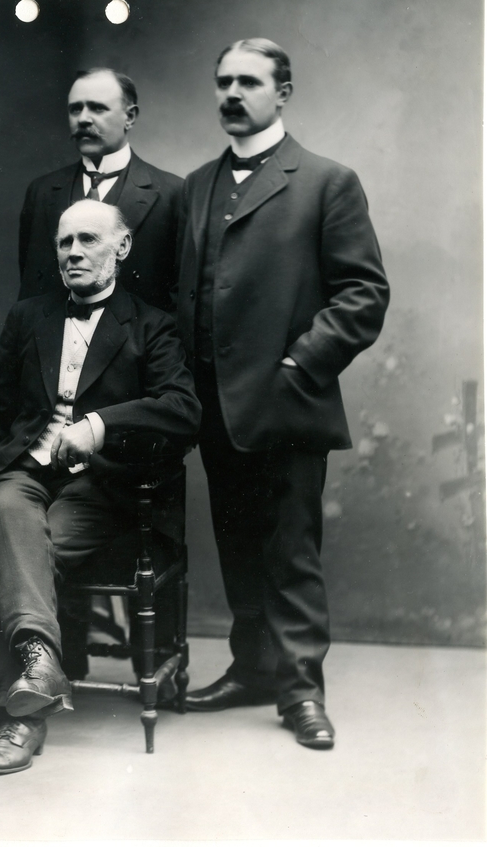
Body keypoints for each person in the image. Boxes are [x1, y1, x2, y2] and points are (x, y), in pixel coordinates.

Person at [0, 200, 200, 775]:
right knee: (4, 505)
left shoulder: (151, 325)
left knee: (31, 550)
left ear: (121, 248)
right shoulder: (29, 316)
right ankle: (40, 672)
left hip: (103, 487)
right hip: (24, 470)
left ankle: (23, 716)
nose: (73, 253)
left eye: (88, 240)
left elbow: (183, 409)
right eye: (64, 242)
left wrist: (100, 426)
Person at [176, 39, 389, 750]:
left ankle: (301, 689)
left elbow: (363, 293)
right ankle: (253, 669)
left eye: (249, 82)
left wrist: (299, 364)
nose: (232, 94)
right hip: (215, 405)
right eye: (223, 82)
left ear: (283, 92)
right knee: (237, 544)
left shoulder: (327, 181)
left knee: (291, 552)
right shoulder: (196, 186)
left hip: (290, 404)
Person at [19, 68, 182, 311]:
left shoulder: (173, 193)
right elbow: (30, 283)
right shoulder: (41, 191)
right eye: (76, 109)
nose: (83, 119)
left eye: (97, 108)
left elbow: (180, 296)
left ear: (130, 116)